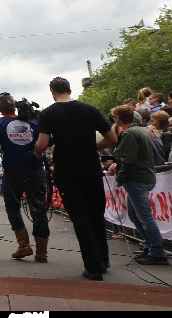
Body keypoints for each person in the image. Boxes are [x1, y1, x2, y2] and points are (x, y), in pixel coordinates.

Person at [33, 77, 117, 281]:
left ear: (52, 91)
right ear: (70, 90)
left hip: (67, 170)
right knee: (96, 214)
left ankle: (93, 266)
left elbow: (42, 144)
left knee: (80, 217)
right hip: (91, 169)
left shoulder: (48, 113)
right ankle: (103, 259)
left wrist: (36, 154)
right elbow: (112, 138)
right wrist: (92, 147)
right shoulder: (90, 109)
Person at [0, 93, 49, 263]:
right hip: (35, 169)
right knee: (38, 207)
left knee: (13, 207)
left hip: (13, 172)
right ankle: (42, 252)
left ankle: (23, 245)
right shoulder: (32, 122)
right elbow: (49, 140)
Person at [107, 105, 166, 265]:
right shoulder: (141, 130)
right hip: (142, 176)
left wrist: (120, 176)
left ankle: (157, 251)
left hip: (136, 178)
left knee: (144, 217)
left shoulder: (129, 133)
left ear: (118, 118)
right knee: (135, 215)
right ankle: (150, 246)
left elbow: (128, 159)